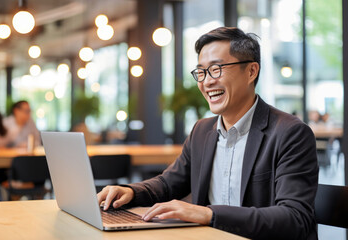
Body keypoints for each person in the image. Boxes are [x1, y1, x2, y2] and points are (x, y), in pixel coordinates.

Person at [97, 27, 318, 240]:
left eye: (217, 68)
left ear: (251, 71)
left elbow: (295, 218)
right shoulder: (202, 131)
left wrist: (209, 214)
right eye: (201, 72)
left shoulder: (290, 133)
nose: (207, 81)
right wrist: (130, 192)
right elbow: (168, 184)